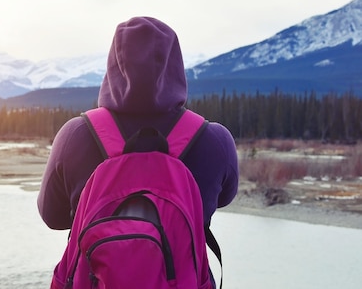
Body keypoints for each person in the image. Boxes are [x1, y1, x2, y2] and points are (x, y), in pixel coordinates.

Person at [37, 16, 239, 285]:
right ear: (175, 66)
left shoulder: (75, 134)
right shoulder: (214, 139)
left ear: (113, 66)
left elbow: (53, 217)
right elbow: (223, 198)